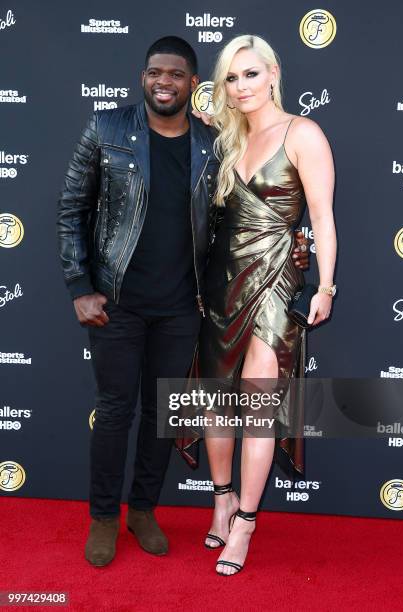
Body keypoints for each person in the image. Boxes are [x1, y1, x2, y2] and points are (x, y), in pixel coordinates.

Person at [57, 35, 309, 568]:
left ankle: (143, 510)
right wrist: (80, 286)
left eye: (175, 74)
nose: (163, 82)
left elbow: (230, 223)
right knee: (115, 411)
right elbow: (71, 208)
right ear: (143, 76)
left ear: (193, 84)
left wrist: (292, 250)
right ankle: (104, 517)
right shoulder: (107, 130)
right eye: (155, 72)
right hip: (116, 303)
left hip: (181, 309)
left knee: (160, 416)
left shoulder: (212, 144)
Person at [188, 34, 337, 576]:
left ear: (273, 72)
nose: (242, 86)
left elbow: (321, 217)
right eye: (231, 77)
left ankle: (246, 522)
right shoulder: (224, 141)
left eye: (251, 73)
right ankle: (222, 498)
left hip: (274, 281)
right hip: (222, 283)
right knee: (213, 403)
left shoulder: (304, 133)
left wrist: (325, 287)